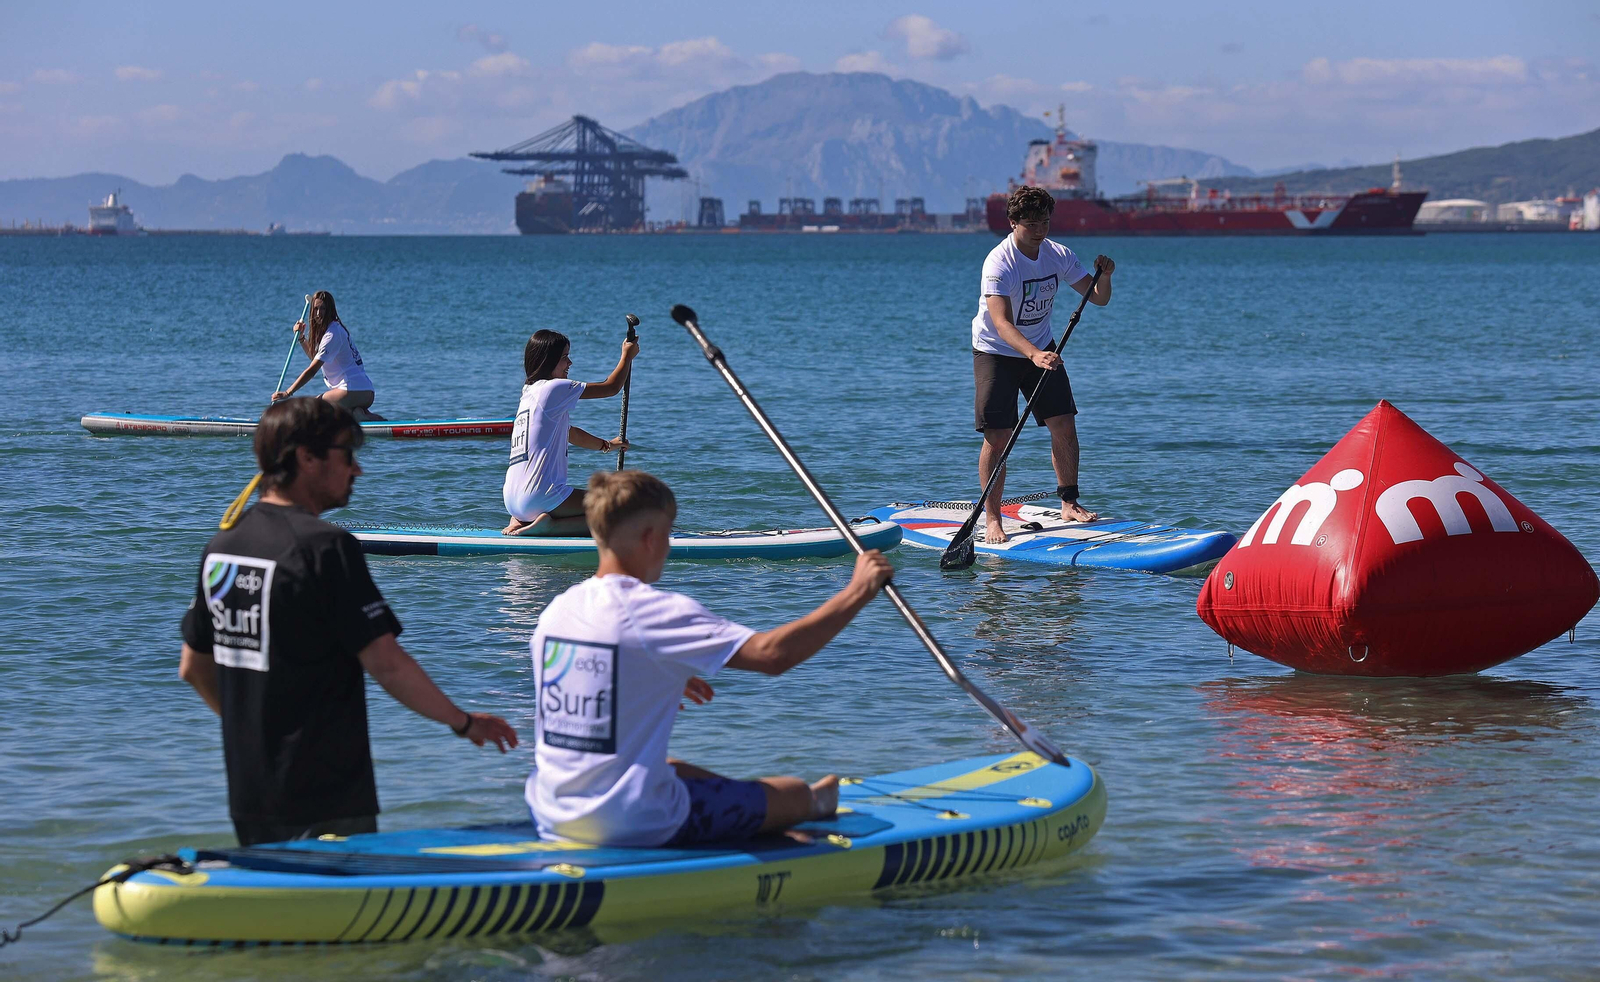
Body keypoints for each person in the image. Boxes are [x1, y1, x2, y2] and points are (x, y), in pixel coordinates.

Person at [179, 398, 518, 846]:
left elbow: (193, 668)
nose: (357, 470)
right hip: (326, 790)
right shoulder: (326, 547)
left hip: (250, 785)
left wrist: (255, 736)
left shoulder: (222, 547)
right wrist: (463, 723)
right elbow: (386, 663)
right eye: (347, 455)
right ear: (306, 457)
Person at [526, 470, 896, 847]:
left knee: (670, 769)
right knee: (794, 792)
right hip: (629, 822)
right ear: (651, 538)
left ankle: (750, 804)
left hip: (549, 809)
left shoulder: (558, 610)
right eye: (668, 535)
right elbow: (772, 656)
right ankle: (802, 804)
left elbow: (586, 675)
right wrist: (858, 591)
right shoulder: (652, 611)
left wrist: (649, 674)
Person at [972, 185, 1115, 542]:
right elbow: (1002, 322)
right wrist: (1033, 354)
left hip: (1042, 349)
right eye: (1032, 223)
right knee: (998, 436)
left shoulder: (1058, 254)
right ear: (1013, 222)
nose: (1040, 230)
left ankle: (1069, 501)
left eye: (1045, 222)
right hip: (996, 351)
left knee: (1064, 424)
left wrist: (1106, 276)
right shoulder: (999, 261)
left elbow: (1097, 299)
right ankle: (992, 519)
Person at [502, 329, 639, 536]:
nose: (570, 363)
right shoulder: (553, 388)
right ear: (549, 360)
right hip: (539, 496)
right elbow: (611, 387)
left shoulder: (528, 393)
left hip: (513, 502)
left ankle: (524, 521)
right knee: (620, 512)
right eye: (565, 357)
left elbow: (571, 434)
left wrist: (607, 445)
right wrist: (626, 356)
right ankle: (550, 527)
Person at [272, 291, 384, 421]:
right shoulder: (333, 329)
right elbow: (316, 358)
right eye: (316, 309)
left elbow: (313, 370)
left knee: (312, 408)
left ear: (330, 310)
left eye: (323, 308)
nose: (319, 313)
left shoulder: (332, 334)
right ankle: (363, 416)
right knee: (351, 416)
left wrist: (288, 392)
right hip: (364, 392)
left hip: (352, 390)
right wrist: (302, 338)